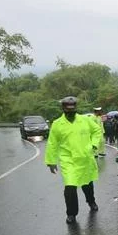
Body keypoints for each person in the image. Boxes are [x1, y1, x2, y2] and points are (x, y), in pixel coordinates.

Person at [45, 96, 102, 224]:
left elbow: (97, 131)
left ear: (76, 108)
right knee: (70, 188)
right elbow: (52, 143)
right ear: (63, 109)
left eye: (73, 109)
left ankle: (91, 201)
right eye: (67, 110)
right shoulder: (57, 124)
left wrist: (93, 145)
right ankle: (71, 213)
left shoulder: (85, 120)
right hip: (68, 161)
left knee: (87, 184)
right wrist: (51, 161)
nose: (70, 112)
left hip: (85, 158)